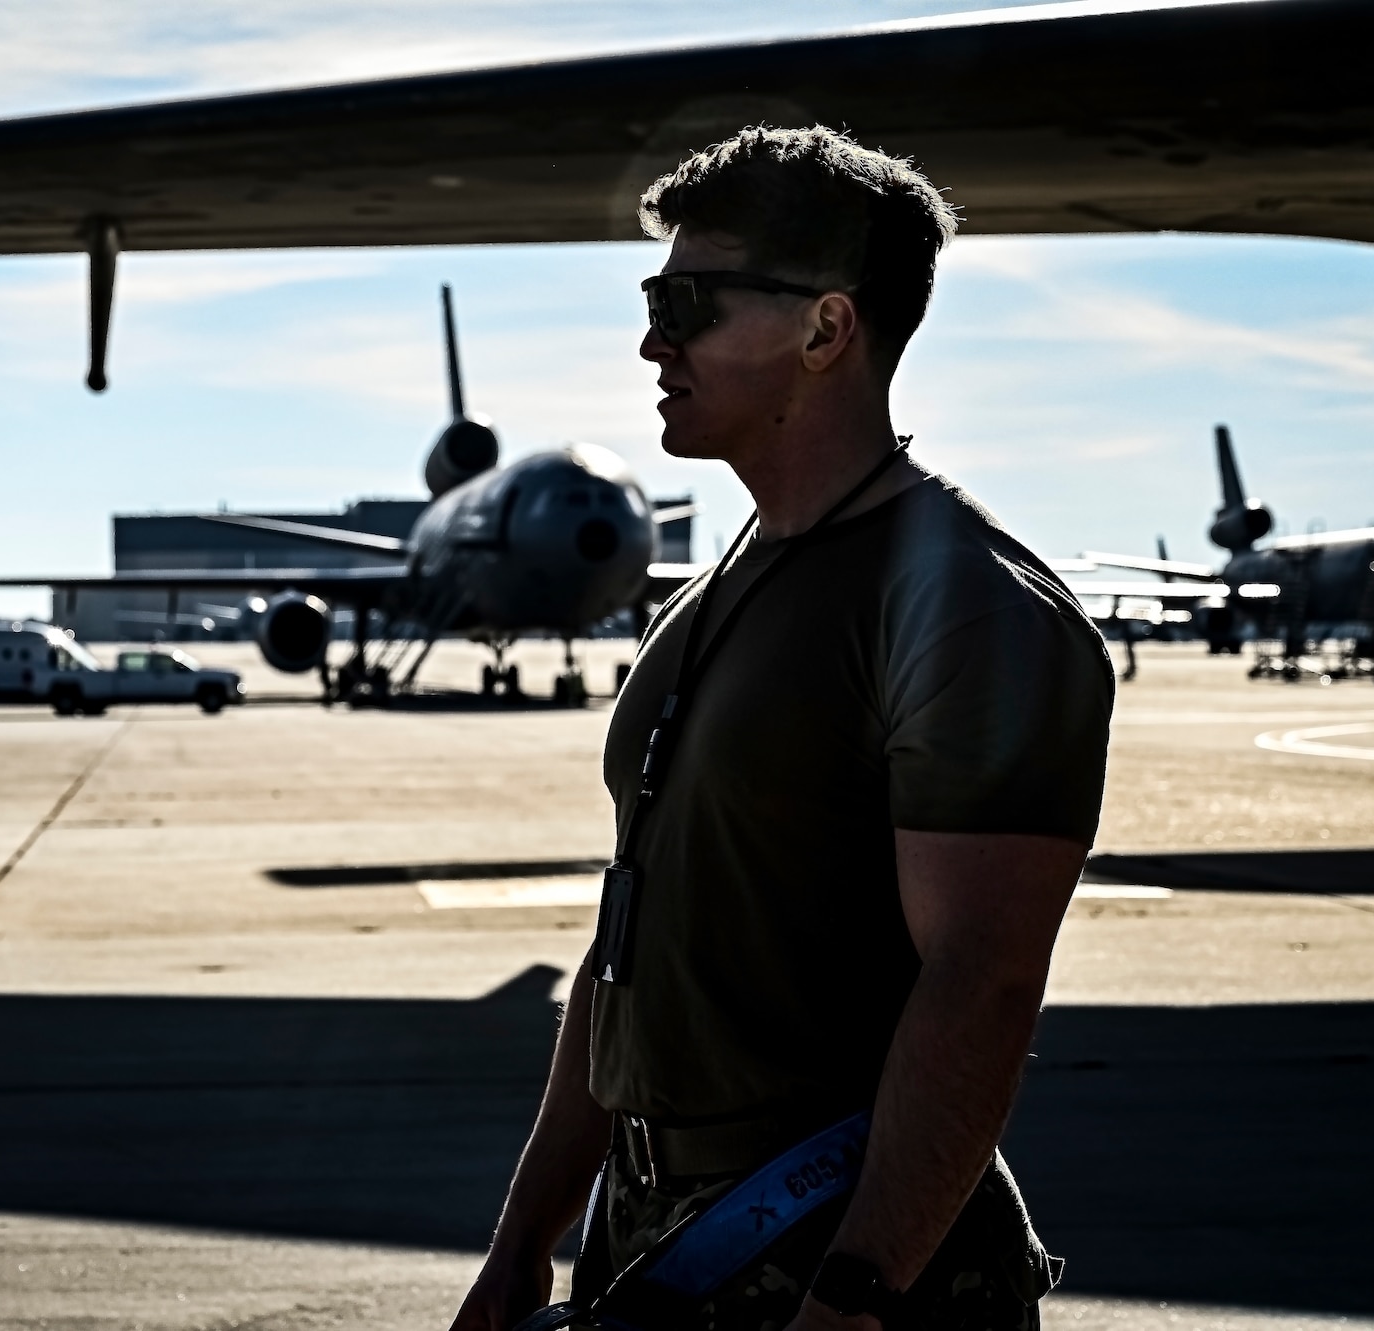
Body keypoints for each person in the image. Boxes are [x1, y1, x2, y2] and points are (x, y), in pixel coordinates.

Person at [449, 126, 1115, 1331]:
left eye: (689, 302)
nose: (653, 340)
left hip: (839, 1249)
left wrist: (852, 1297)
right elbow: (623, 953)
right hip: (661, 1233)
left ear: (824, 329)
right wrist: (522, 1242)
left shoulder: (964, 605)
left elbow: (984, 981)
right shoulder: (719, 592)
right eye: (654, 297)